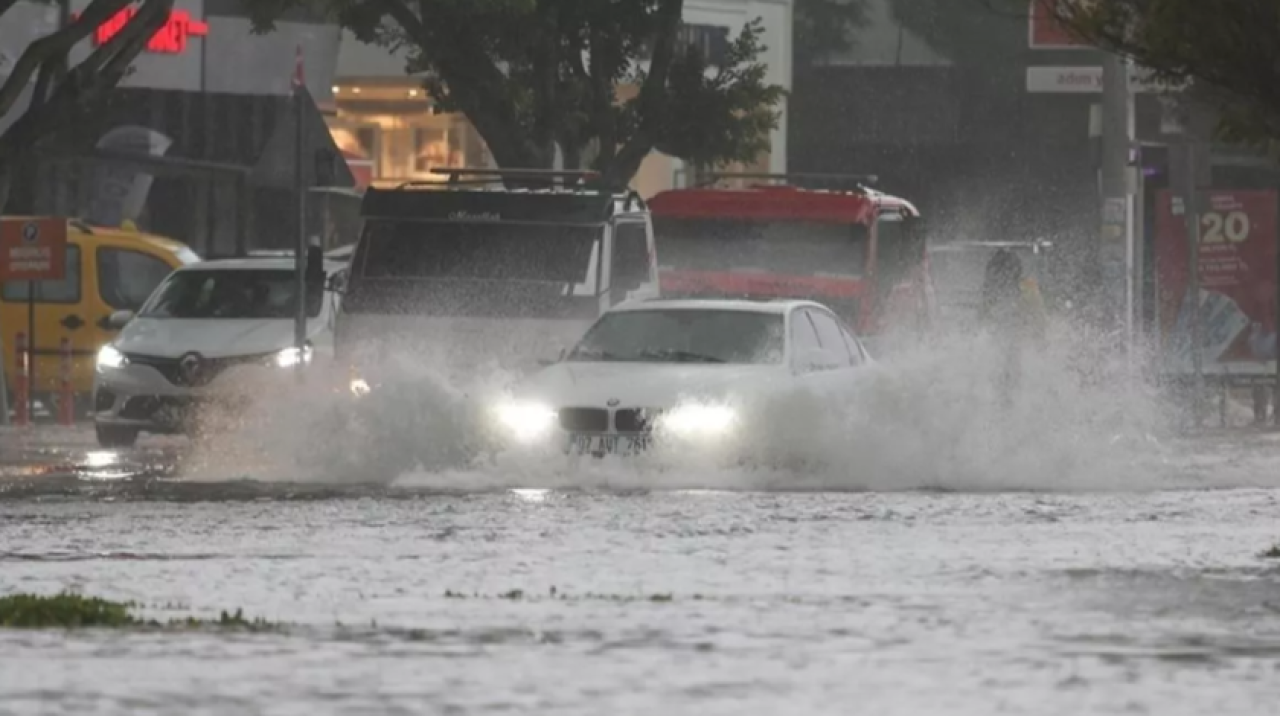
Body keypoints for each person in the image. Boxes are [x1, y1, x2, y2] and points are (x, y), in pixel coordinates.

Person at [979, 248, 1047, 405]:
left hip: (1013, 347)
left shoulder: (994, 292)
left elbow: (982, 324)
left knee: (1006, 383)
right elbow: (1040, 322)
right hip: (1016, 347)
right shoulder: (1028, 288)